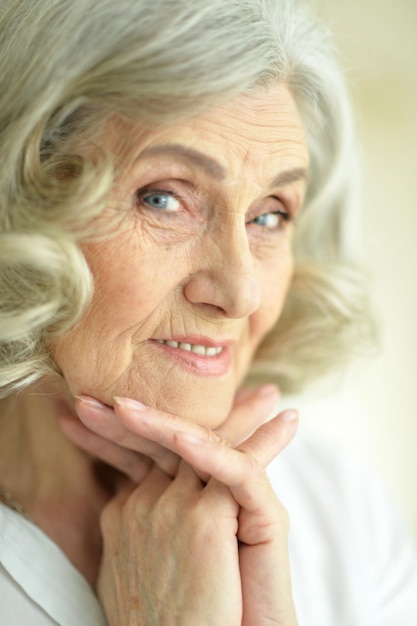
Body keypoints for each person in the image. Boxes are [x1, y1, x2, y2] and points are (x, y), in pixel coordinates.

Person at [0, 0, 416, 624]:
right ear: (21, 198)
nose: (241, 292)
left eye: (270, 214)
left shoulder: (339, 507)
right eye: (165, 198)